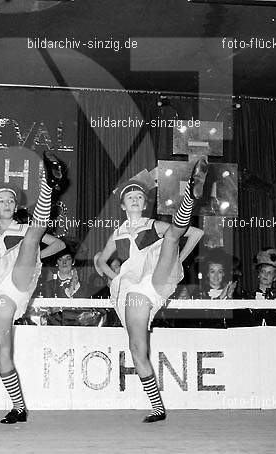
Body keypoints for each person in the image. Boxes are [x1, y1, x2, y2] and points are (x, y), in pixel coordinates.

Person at [96, 158, 207, 423]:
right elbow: (100, 260)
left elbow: (195, 234)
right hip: (130, 291)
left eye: (138, 196)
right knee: (137, 349)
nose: (134, 200)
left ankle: (191, 192)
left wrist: (177, 261)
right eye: (130, 197)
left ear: (145, 204)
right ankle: (158, 408)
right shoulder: (119, 232)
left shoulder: (152, 225)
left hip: (155, 277)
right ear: (123, 205)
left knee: (171, 237)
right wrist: (113, 277)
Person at [0, 150, 66, 424]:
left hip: (19, 274)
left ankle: (48, 186)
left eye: (11, 200)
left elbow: (59, 245)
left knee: (33, 236)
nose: (7, 204)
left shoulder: (22, 228)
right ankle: (18, 407)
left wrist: (35, 260)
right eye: (2, 201)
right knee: (1, 350)